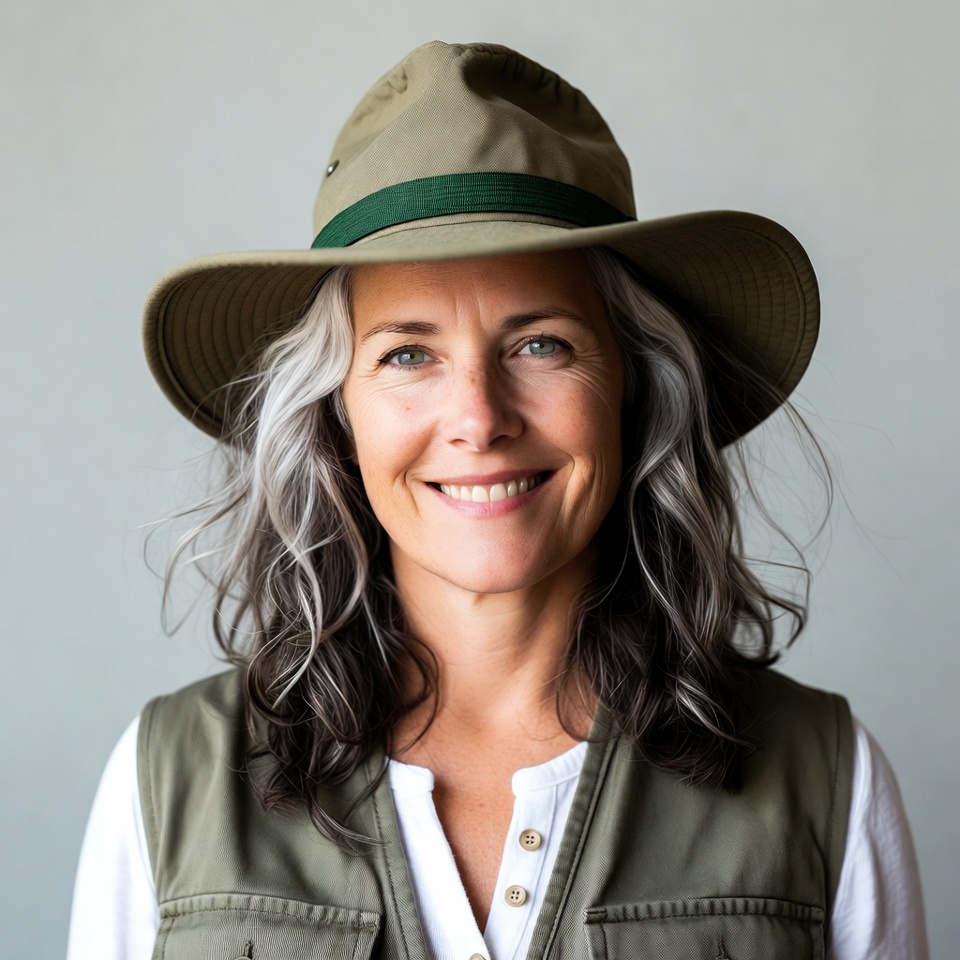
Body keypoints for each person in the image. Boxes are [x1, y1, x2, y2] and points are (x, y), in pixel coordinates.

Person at [67, 41, 928, 960]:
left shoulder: (824, 780)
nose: (478, 419)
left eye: (541, 345)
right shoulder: (168, 785)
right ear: (336, 414)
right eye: (408, 353)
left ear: (633, 387)